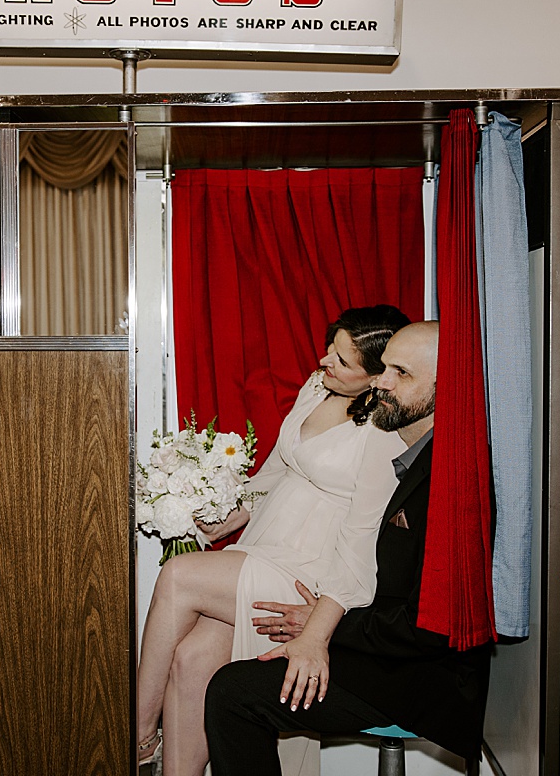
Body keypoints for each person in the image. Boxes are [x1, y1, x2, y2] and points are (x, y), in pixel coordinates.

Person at [203, 322, 493, 775]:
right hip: (382, 644)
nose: (381, 382)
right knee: (215, 666)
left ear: (448, 388)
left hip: (420, 678)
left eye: (402, 374)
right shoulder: (413, 457)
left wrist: (327, 628)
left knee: (233, 692)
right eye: (385, 368)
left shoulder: (452, 483)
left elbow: (433, 627)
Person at [136, 305, 411, 776]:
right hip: (266, 544)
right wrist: (229, 518)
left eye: (342, 361)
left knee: (179, 576)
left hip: (311, 573)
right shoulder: (316, 386)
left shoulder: (385, 433)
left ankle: (135, 734)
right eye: (330, 348)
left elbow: (361, 538)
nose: (325, 361)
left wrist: (322, 622)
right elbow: (279, 471)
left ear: (376, 377)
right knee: (191, 658)